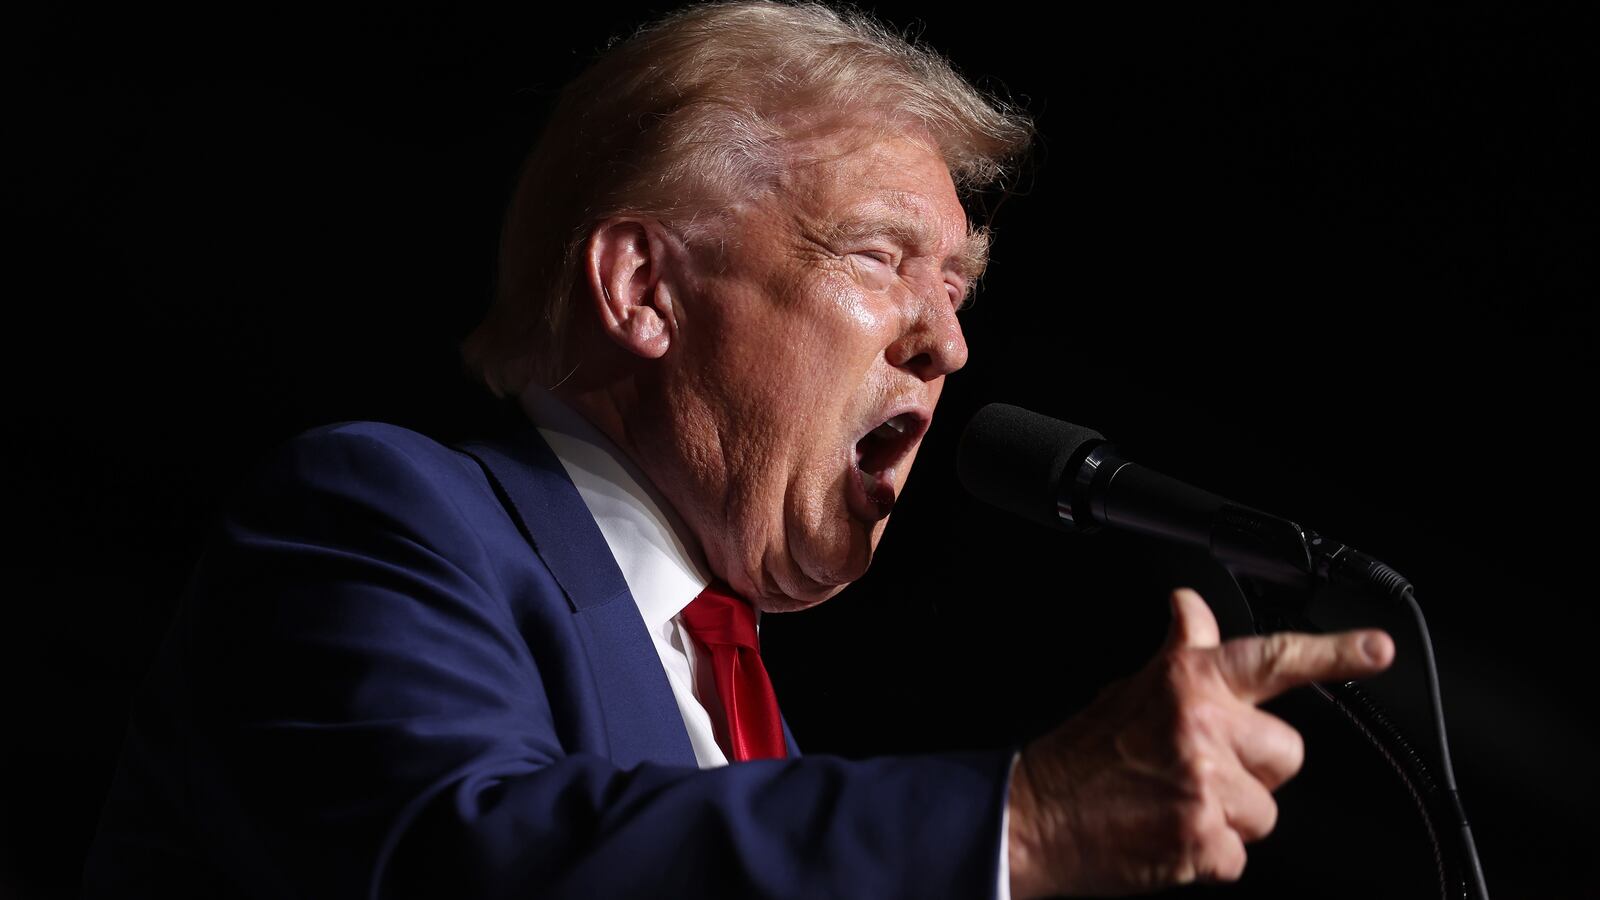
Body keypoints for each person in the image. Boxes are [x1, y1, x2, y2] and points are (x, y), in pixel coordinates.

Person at [85, 3, 1395, 897]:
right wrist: (1023, 824)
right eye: (881, 259)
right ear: (643, 290)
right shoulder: (382, 519)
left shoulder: (749, 725)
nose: (948, 348)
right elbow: (465, 866)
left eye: (961, 290)